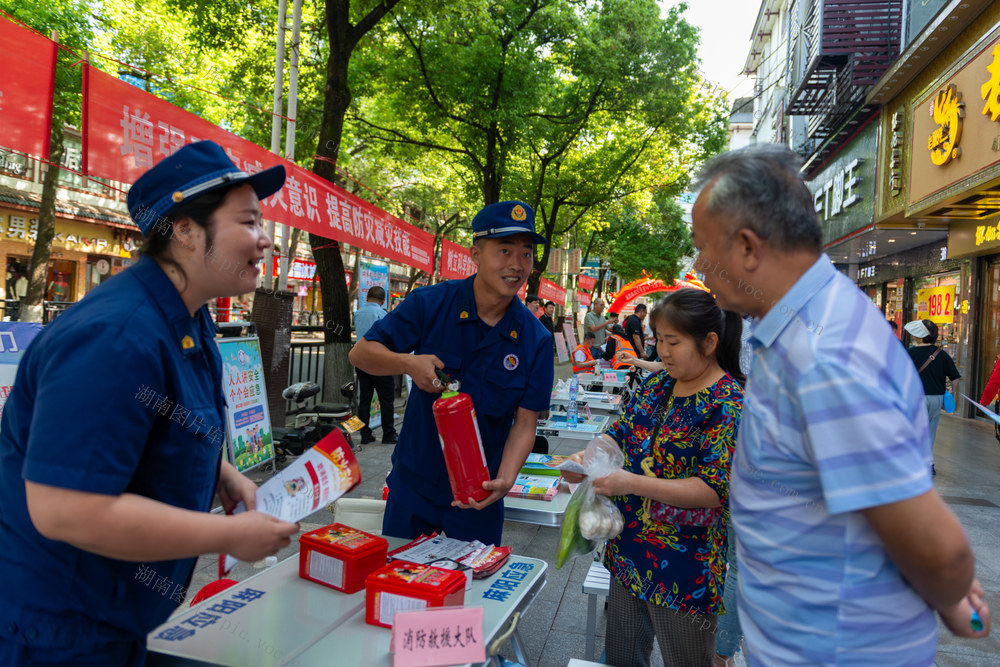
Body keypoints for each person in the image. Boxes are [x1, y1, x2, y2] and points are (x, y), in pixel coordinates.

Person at [0, 141, 300, 666]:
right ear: (185, 230)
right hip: (54, 628)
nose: (265, 240)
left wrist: (221, 472)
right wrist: (229, 535)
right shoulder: (115, 338)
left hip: (114, 615)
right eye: (249, 222)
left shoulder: (187, 312)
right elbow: (66, 511)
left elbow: (163, 421)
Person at [689, 143, 990, 666]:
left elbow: (937, 547)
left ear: (747, 248)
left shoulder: (825, 355)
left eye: (702, 245)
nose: (697, 264)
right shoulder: (796, 332)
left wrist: (952, 595)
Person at [349, 200, 554, 545]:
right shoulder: (430, 303)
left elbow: (525, 422)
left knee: (474, 594)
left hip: (479, 496)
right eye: (504, 251)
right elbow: (361, 353)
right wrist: (408, 364)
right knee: (401, 590)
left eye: (526, 254)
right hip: (414, 487)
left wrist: (505, 479)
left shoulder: (536, 340)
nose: (516, 265)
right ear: (475, 254)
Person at [563, 288, 745, 666]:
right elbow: (622, 433)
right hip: (629, 550)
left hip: (685, 565)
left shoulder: (727, 403)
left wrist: (631, 483)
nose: (661, 351)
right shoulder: (658, 385)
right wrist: (589, 457)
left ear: (709, 342)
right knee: (623, 655)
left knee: (687, 658)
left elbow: (713, 489)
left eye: (672, 341)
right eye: (659, 339)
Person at [904, 318, 960, 475]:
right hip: (936, 398)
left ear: (920, 336)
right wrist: (950, 392)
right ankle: (928, 463)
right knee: (930, 430)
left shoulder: (910, 353)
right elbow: (955, 378)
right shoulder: (941, 354)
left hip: (915, 398)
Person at [353, 285, 398, 445]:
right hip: (380, 362)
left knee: (364, 398)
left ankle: (365, 434)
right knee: (386, 399)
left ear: (367, 297)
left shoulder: (357, 313)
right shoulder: (383, 314)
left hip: (361, 360)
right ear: (383, 300)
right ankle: (388, 434)